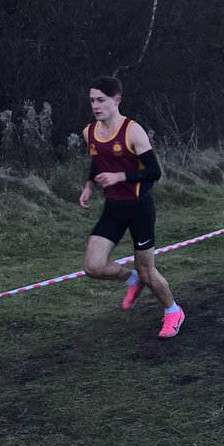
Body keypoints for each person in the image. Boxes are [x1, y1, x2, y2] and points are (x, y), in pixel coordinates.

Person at [79, 76, 185, 337]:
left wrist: (120, 177)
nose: (96, 106)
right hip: (113, 208)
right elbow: (98, 159)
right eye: (92, 100)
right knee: (92, 266)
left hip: (139, 209)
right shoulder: (89, 132)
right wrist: (90, 186)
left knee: (147, 271)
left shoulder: (133, 131)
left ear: (117, 101)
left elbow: (154, 172)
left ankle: (173, 311)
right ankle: (130, 279)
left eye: (101, 100)